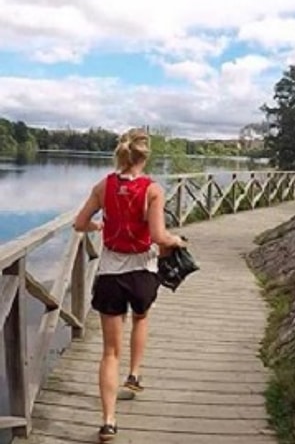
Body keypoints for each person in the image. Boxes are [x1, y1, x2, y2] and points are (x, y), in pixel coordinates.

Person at [72, 128, 186, 441]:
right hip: (142, 272)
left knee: (109, 352)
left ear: (121, 154)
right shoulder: (152, 189)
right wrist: (176, 240)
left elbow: (79, 224)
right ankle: (135, 374)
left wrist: (99, 224)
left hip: (110, 273)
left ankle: (108, 421)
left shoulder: (102, 186)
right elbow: (160, 237)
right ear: (145, 156)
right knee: (142, 317)